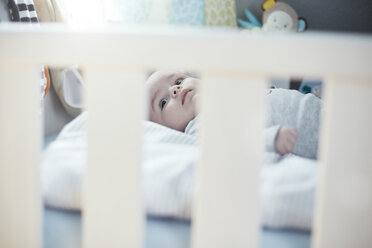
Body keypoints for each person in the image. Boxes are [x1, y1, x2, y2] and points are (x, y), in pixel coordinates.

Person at [146, 70, 321, 159]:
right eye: (163, 102)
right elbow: (231, 147)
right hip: (308, 143)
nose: (175, 89)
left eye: (178, 81)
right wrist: (270, 140)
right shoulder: (200, 127)